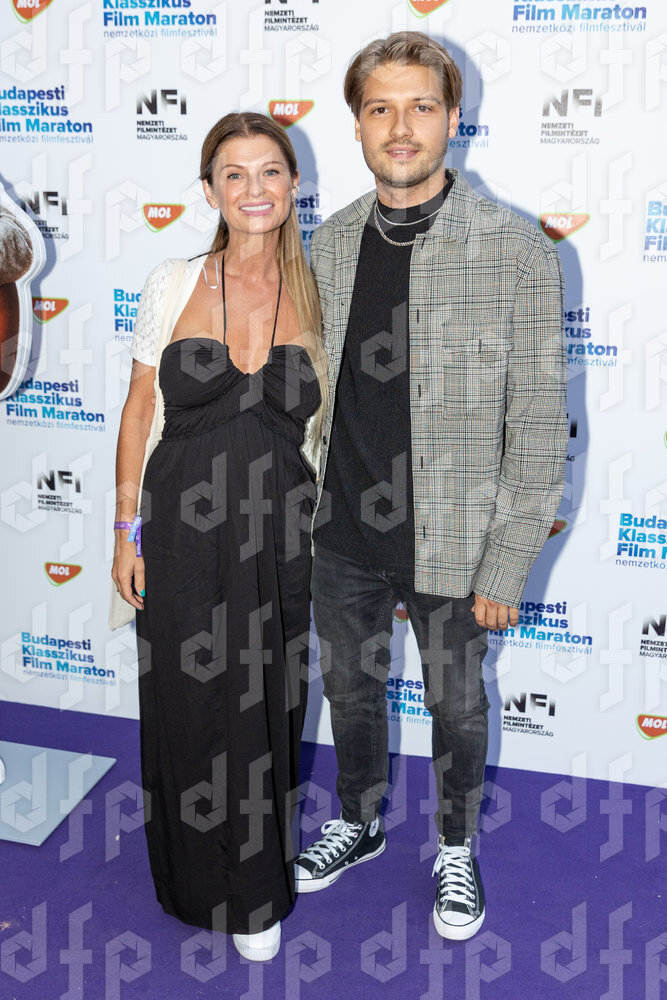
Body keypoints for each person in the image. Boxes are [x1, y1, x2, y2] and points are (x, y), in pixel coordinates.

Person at [294, 33, 568, 941]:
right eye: (380, 108)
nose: (400, 127)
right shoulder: (329, 244)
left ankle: (454, 844)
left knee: (456, 704)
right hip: (340, 530)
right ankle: (360, 819)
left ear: (453, 118)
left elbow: (539, 423)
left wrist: (507, 562)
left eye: (419, 106)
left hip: (456, 535)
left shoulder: (515, 250)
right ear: (357, 125)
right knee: (349, 691)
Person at [112, 112, 325, 961]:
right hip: (180, 533)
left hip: (281, 535)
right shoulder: (172, 281)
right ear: (209, 192)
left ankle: (255, 891)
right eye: (232, 174)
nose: (252, 188)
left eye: (269, 170)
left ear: (293, 184)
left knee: (266, 703)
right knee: (187, 703)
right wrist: (124, 529)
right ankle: (193, 877)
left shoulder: (325, 293)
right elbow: (138, 411)